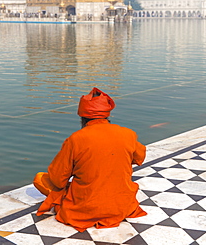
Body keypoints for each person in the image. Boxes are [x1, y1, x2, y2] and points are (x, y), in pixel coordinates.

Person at [33, 87, 147, 232]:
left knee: (40, 178)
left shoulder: (76, 139)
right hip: (122, 206)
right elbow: (140, 158)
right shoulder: (128, 134)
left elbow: (58, 179)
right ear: (107, 115)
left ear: (83, 117)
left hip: (85, 208)